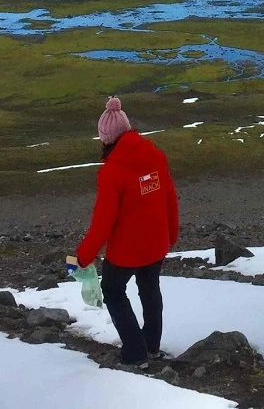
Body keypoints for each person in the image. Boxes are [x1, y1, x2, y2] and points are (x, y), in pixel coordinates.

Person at [74, 96, 179, 367]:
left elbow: (103, 223)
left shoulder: (112, 172)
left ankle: (135, 353)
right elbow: (169, 198)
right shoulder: (156, 156)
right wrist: (171, 235)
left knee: (113, 290)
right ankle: (151, 346)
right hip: (156, 244)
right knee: (149, 289)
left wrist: (82, 257)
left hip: (125, 251)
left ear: (106, 138)